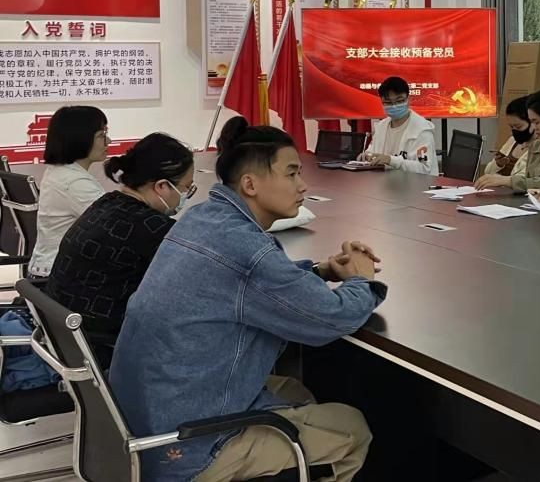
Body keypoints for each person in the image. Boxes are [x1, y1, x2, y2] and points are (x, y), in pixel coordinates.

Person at [110, 117, 386, 482]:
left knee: (295, 390)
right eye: (291, 173)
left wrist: (321, 271)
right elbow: (331, 318)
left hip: (140, 420)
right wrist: (361, 280)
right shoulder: (246, 250)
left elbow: (247, 284)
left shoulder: (201, 218)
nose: (302, 185)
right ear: (250, 184)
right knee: (352, 428)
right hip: (185, 447)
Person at [45, 132, 195, 369]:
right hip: (103, 352)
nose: (186, 196)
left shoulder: (106, 203)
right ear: (162, 186)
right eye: (187, 188)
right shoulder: (153, 228)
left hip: (64, 340)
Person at [29, 106, 109, 277]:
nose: (108, 141)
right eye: (101, 135)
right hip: (60, 277)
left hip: (51, 269)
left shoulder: (59, 171)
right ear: (80, 139)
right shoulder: (75, 183)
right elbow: (115, 227)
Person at [360, 76, 439, 175]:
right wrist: (365, 156)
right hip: (385, 181)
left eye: (399, 101)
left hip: (416, 183)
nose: (394, 106)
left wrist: (390, 160)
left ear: (408, 99)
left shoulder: (422, 129)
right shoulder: (381, 127)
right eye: (388, 102)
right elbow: (371, 152)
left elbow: (424, 168)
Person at [480, 96, 532, 179]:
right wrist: (498, 164)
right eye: (511, 127)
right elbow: (487, 172)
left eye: (518, 127)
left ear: (533, 123)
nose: (514, 131)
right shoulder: (512, 141)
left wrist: (501, 181)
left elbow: (524, 181)